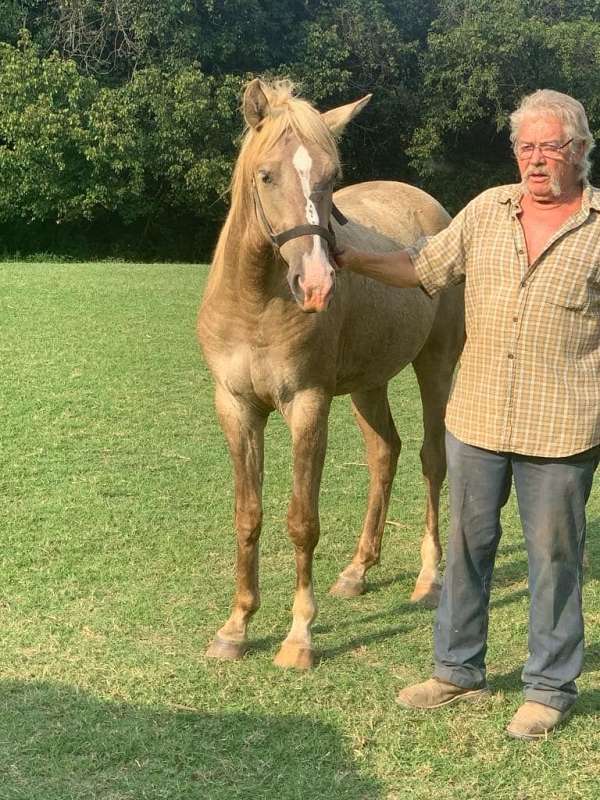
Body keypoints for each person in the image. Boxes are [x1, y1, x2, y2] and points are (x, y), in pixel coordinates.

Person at [334, 89, 599, 740]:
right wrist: (351, 257)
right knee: (467, 548)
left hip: (561, 424)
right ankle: (456, 670)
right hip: (477, 416)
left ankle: (549, 686)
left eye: (553, 147)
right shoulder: (486, 210)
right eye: (527, 147)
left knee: (554, 556)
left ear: (582, 151)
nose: (538, 160)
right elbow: (421, 266)